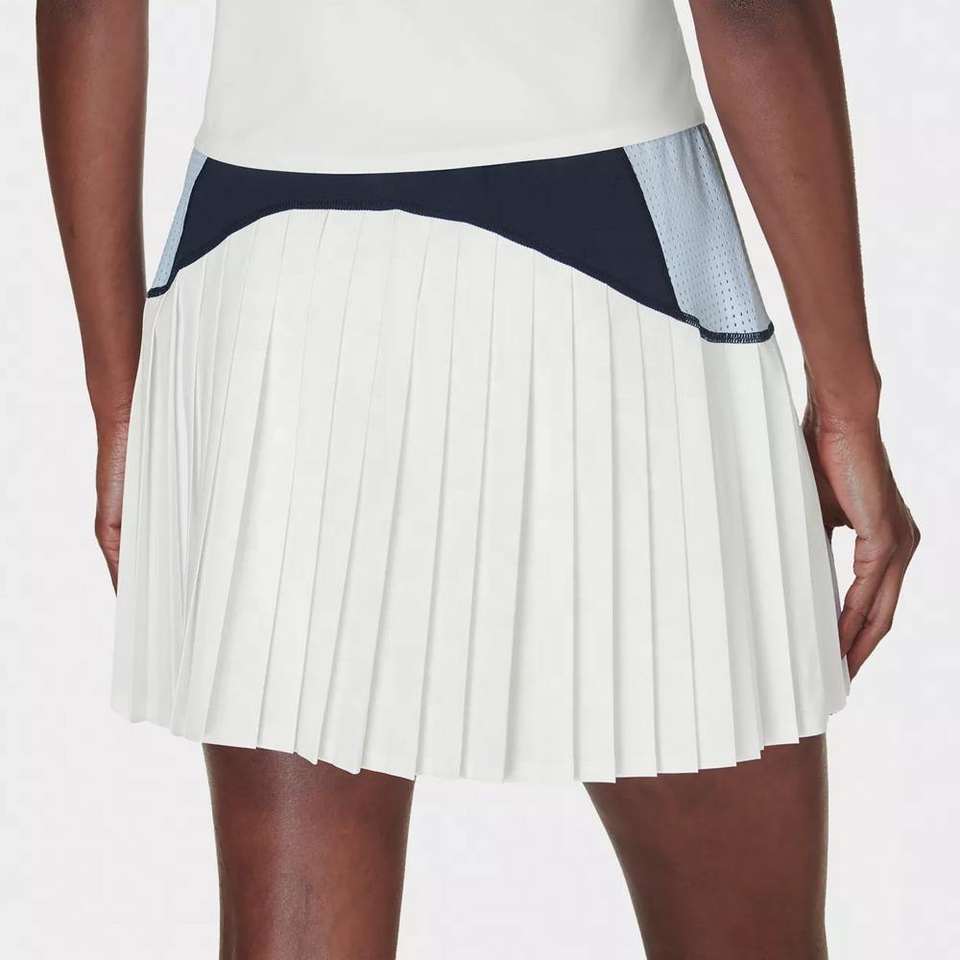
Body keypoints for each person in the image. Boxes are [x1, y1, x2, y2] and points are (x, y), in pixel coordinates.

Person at [38, 1, 918, 957]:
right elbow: (753, 14)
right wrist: (846, 401)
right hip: (620, 256)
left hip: (266, 264)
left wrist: (121, 409)